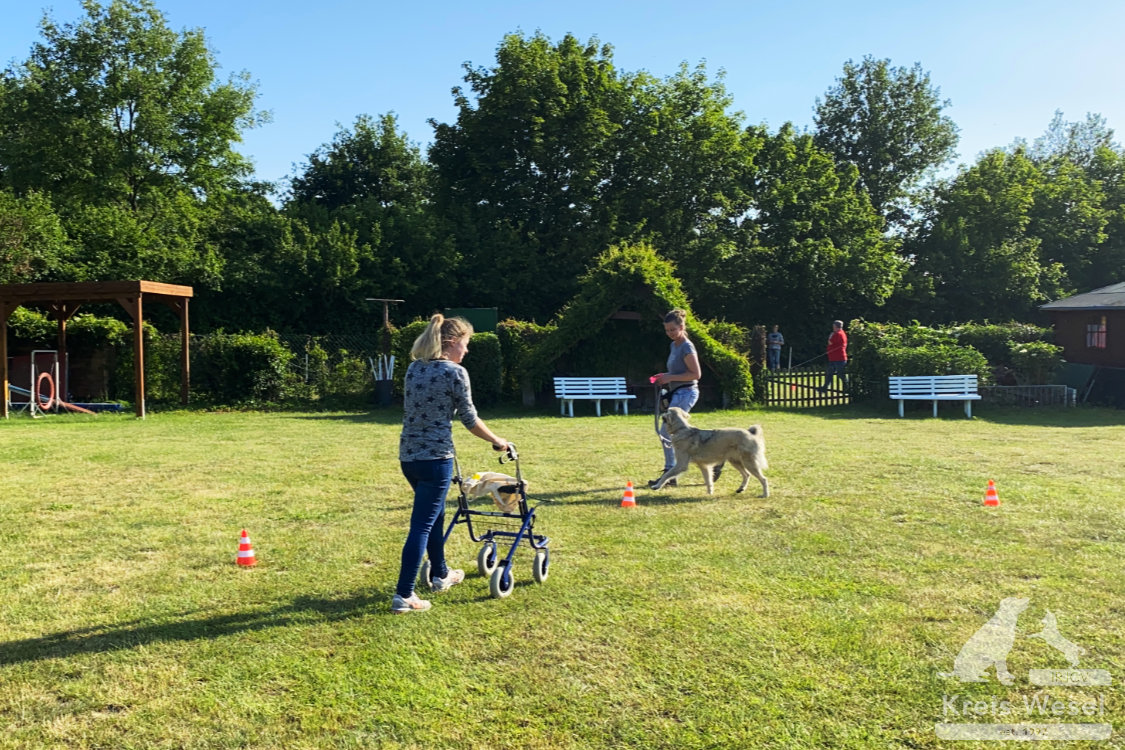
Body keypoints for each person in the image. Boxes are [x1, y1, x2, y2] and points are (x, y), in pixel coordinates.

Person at [392, 314, 508, 615]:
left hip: (409, 457)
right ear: (452, 342)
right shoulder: (455, 372)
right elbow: (469, 419)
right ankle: (404, 594)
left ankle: (441, 573)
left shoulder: (414, 368)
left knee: (434, 515)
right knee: (421, 525)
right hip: (436, 459)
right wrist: (499, 441)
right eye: (466, 344)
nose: (467, 351)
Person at [648, 309, 721, 488]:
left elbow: (696, 374)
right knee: (677, 433)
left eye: (673, 330)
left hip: (686, 392)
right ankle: (715, 458)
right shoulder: (674, 346)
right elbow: (677, 371)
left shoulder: (687, 346)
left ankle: (670, 472)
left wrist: (670, 378)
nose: (670, 333)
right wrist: (664, 376)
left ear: (681, 327)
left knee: (667, 432)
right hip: (677, 391)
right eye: (667, 330)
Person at [819, 320, 848, 392]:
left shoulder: (838, 334)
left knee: (840, 374)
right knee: (830, 373)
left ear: (836, 326)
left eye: (834, 326)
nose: (833, 328)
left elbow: (830, 342)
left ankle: (847, 387)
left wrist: (830, 337)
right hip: (834, 358)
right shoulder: (841, 333)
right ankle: (825, 387)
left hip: (838, 358)